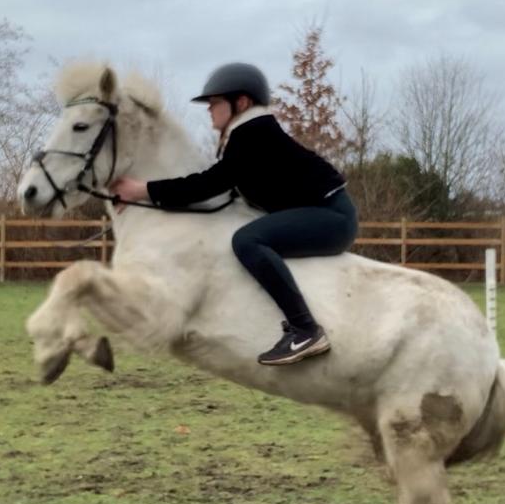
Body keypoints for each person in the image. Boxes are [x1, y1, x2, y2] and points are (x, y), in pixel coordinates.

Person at [110, 62, 358, 366]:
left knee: (247, 240)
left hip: (332, 218)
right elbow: (218, 193)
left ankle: (306, 330)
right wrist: (150, 199)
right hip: (321, 213)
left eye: (215, 102)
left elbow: (208, 185)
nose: (209, 110)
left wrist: (142, 190)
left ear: (241, 103)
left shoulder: (253, 134)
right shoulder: (249, 135)